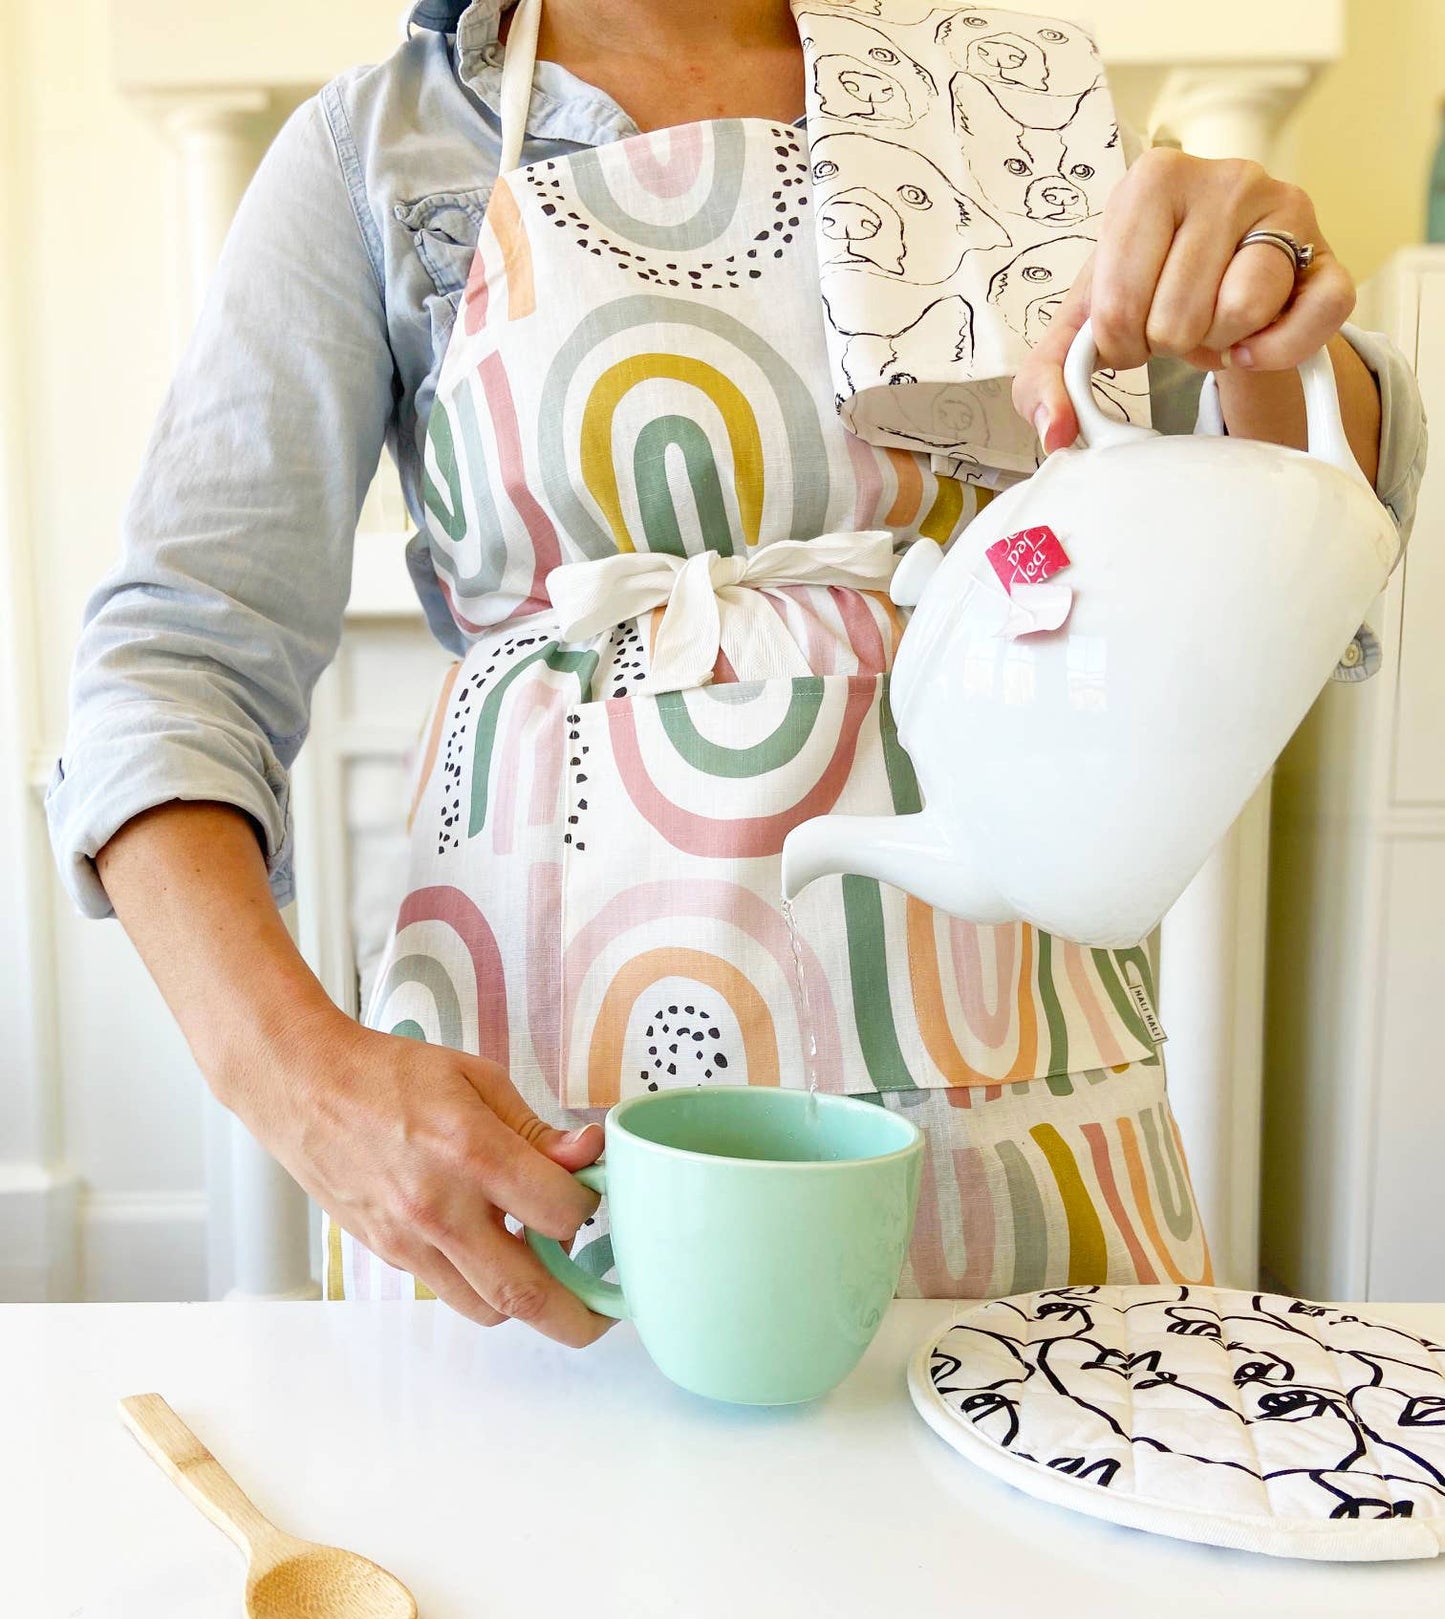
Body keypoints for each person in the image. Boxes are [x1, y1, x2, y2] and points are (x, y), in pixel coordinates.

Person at [48, 0, 1425, 1337]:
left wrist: (1265, 308)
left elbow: (1288, 519)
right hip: (551, 1134)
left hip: (1016, 1094)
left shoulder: (1002, 107)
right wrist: (296, 1078)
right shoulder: (384, 152)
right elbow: (176, 657)